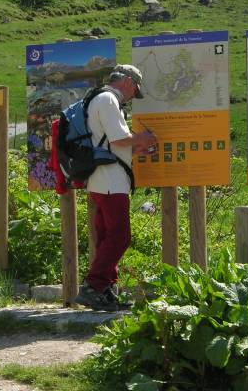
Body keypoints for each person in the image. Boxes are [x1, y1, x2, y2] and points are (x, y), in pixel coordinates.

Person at [73, 64, 158, 311]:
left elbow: (109, 143)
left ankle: (105, 290)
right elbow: (119, 138)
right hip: (111, 180)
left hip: (100, 178)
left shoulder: (98, 98)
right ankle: (93, 286)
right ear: (128, 82)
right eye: (134, 91)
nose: (132, 97)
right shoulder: (109, 99)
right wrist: (143, 138)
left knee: (107, 236)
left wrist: (136, 148)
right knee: (120, 236)